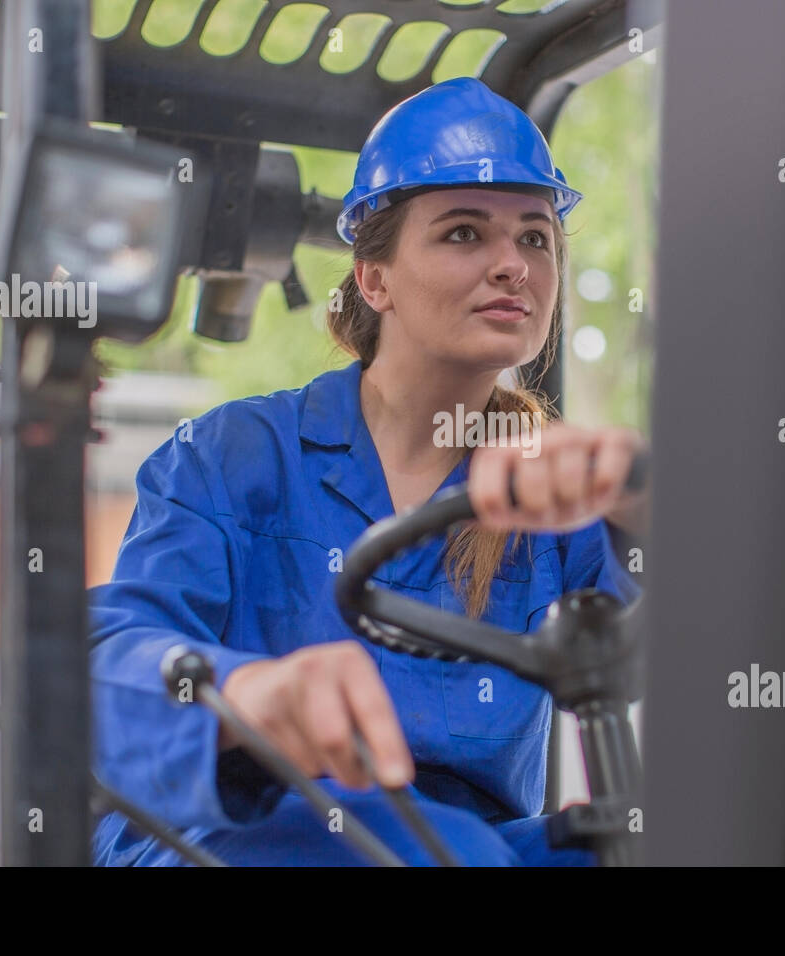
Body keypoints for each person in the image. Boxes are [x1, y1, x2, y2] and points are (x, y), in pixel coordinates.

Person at [88, 76, 649, 866]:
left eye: (535, 238)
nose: (514, 266)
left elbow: (724, 632)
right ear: (373, 278)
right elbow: (104, 659)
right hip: (234, 840)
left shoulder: (552, 496)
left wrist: (644, 496)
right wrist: (246, 697)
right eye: (463, 234)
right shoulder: (228, 458)